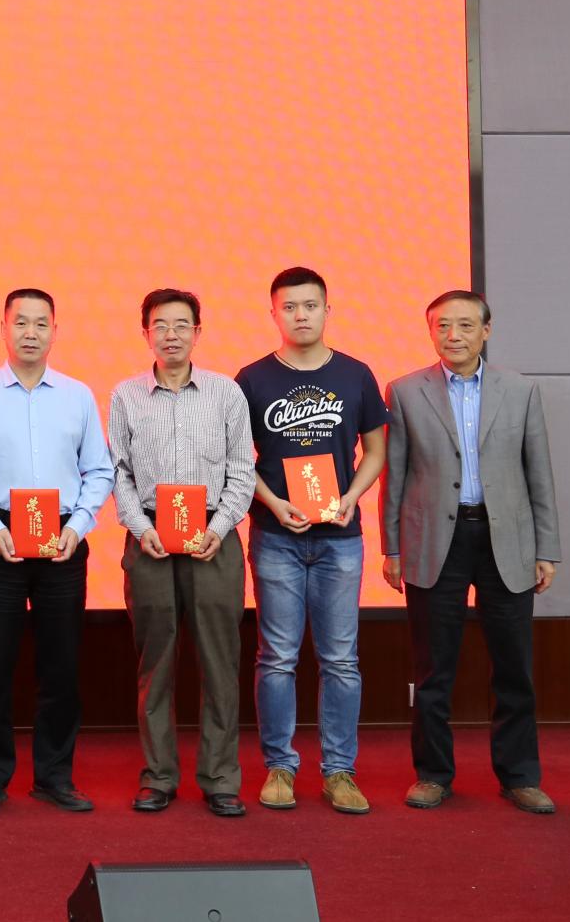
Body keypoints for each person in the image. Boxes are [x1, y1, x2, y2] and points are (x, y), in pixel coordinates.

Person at [383, 290, 561, 815]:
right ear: (430, 331)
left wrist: (546, 547)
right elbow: (395, 475)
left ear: (486, 330)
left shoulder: (521, 390)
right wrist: (392, 547)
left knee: (514, 667)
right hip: (434, 539)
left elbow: (539, 473)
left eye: (465, 325)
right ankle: (433, 775)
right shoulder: (405, 391)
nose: (453, 335)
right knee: (432, 670)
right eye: (442, 325)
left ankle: (520, 776)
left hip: (506, 538)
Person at [0, 288, 114, 814]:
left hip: (63, 541)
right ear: (2, 328)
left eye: (40, 323)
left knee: (61, 667)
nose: (30, 332)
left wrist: (81, 525)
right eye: (20, 322)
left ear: (54, 331)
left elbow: (99, 470)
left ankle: (54, 776)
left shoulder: (78, 396)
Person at [236, 266, 386, 815]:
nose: (300, 316)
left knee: (340, 659)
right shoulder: (251, 379)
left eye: (310, 305)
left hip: (340, 538)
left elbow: (375, 451)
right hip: (276, 535)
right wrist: (274, 503)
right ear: (274, 313)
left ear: (327, 310)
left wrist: (351, 497)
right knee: (277, 657)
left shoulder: (356, 374)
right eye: (290, 307)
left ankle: (339, 772)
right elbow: (237, 459)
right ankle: (279, 766)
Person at [108, 289, 256, 818]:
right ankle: (159, 776)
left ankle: (220, 777)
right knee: (156, 663)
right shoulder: (126, 395)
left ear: (198, 331)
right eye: (160, 325)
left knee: (220, 661)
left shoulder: (226, 393)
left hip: (213, 538)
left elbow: (243, 469)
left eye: (181, 325)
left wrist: (219, 526)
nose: (170, 335)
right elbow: (119, 471)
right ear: (145, 332)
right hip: (149, 538)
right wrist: (139, 525)